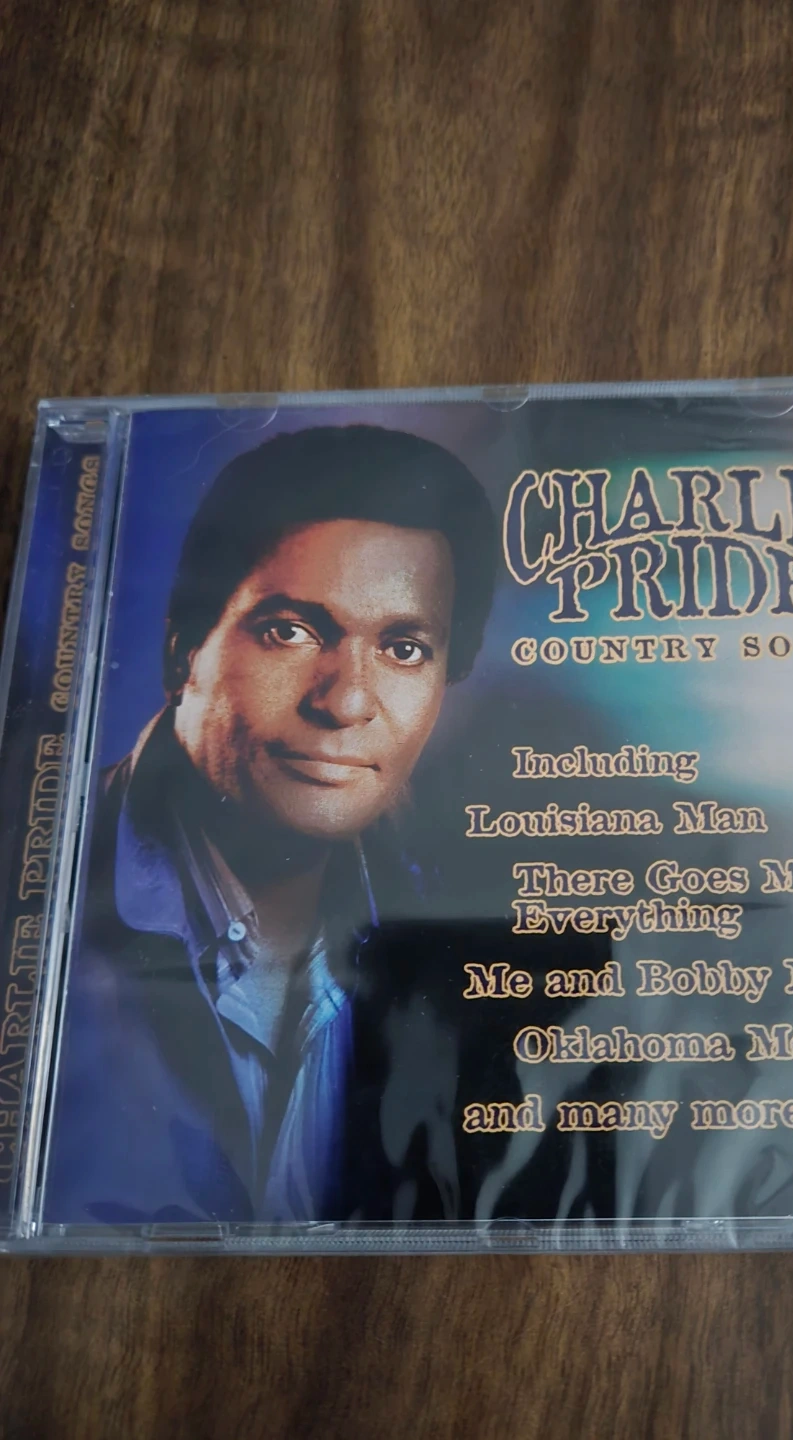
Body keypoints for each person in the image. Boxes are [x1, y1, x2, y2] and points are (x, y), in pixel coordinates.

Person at [45, 424, 498, 1226]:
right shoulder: (36, 896)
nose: (346, 701)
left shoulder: (464, 951)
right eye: (289, 631)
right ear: (184, 649)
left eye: (403, 648)